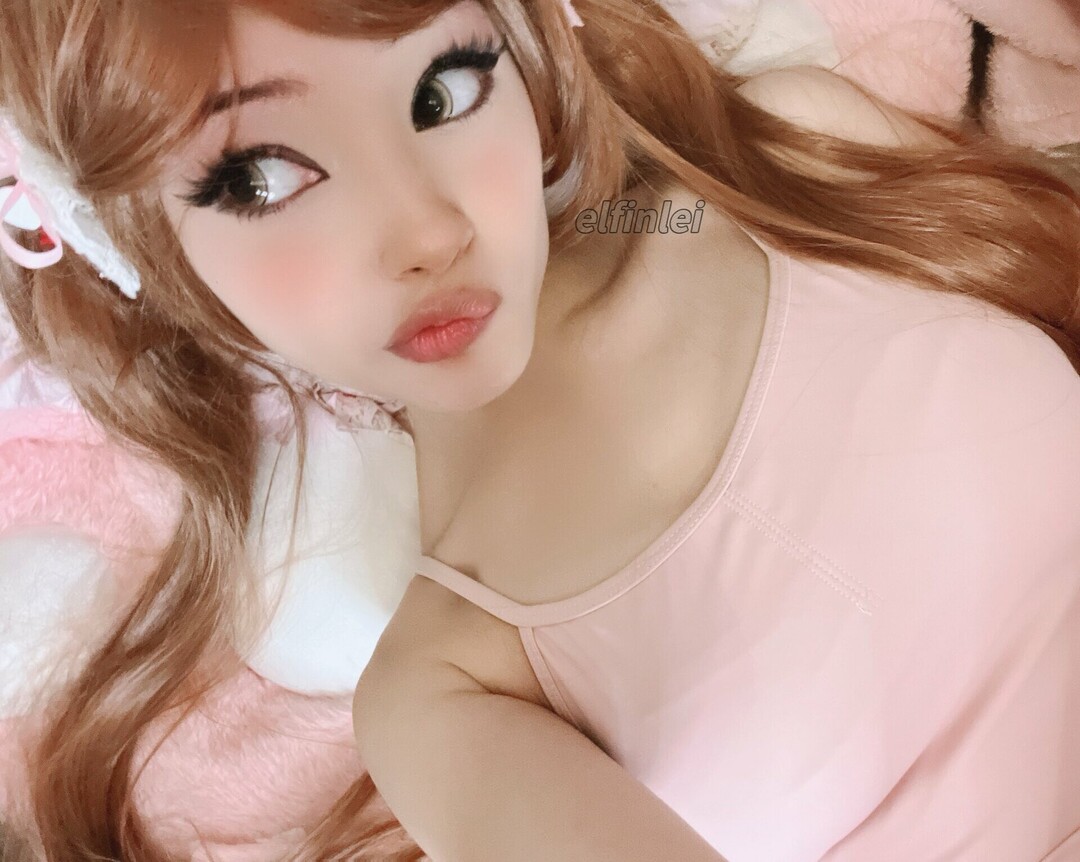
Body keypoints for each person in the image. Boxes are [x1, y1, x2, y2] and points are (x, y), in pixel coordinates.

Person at [1, 0, 1078, 859]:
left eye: (445, 88)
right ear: (140, 247)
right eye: (260, 177)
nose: (428, 231)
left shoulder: (783, 162)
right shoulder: (442, 695)